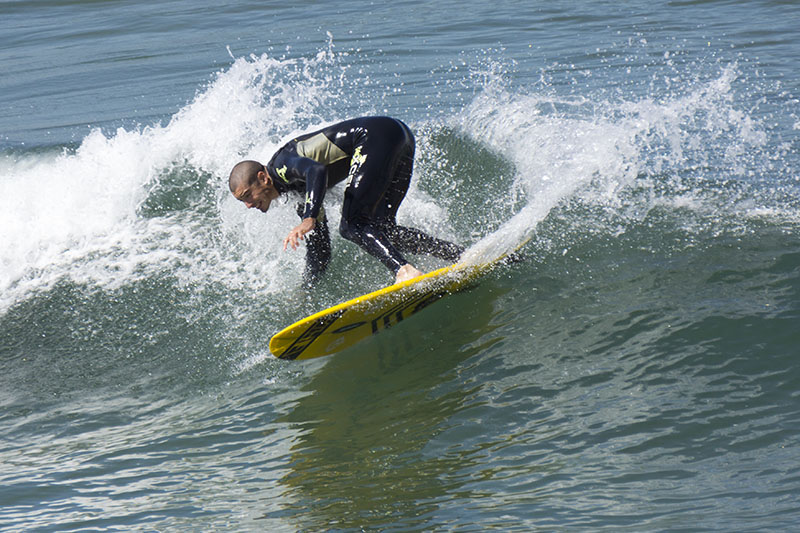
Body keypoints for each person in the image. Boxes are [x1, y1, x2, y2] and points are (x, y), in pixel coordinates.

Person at [229, 116, 463, 286]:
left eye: (247, 196)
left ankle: (405, 271)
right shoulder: (299, 191)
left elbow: (317, 171)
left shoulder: (281, 165)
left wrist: (309, 218)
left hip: (376, 137)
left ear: (262, 178)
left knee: (353, 225)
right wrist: (307, 288)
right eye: (244, 202)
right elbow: (320, 249)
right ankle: (458, 255)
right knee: (382, 230)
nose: (249, 205)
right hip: (396, 135)